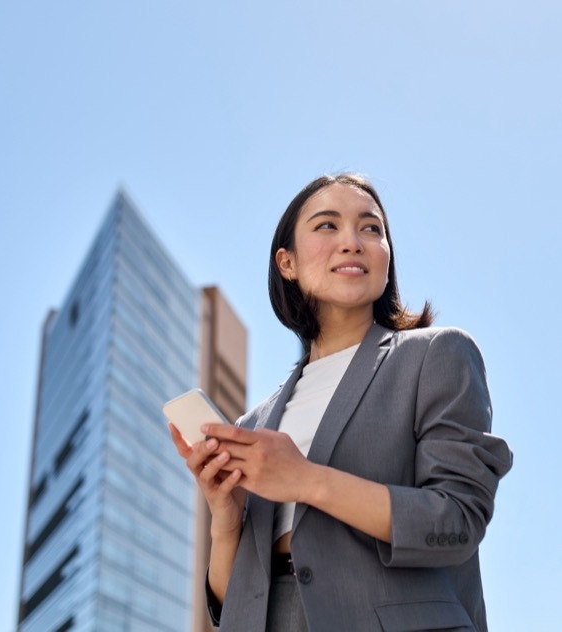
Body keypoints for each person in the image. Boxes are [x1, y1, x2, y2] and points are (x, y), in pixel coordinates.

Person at [169, 174, 513, 631]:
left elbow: (457, 520)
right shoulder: (255, 422)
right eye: (327, 226)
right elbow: (231, 604)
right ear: (286, 262)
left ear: (387, 259)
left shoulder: (435, 355)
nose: (352, 241)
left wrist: (305, 480)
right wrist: (227, 517)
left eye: (371, 229)